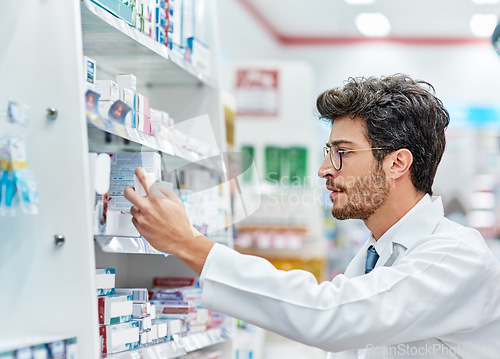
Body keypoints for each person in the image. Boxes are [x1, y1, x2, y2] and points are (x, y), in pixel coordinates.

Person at [124, 74, 500, 359]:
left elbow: (328, 315)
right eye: (328, 151)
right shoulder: (376, 255)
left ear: (397, 163)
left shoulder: (456, 257)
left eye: (342, 152)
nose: (324, 169)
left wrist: (189, 245)